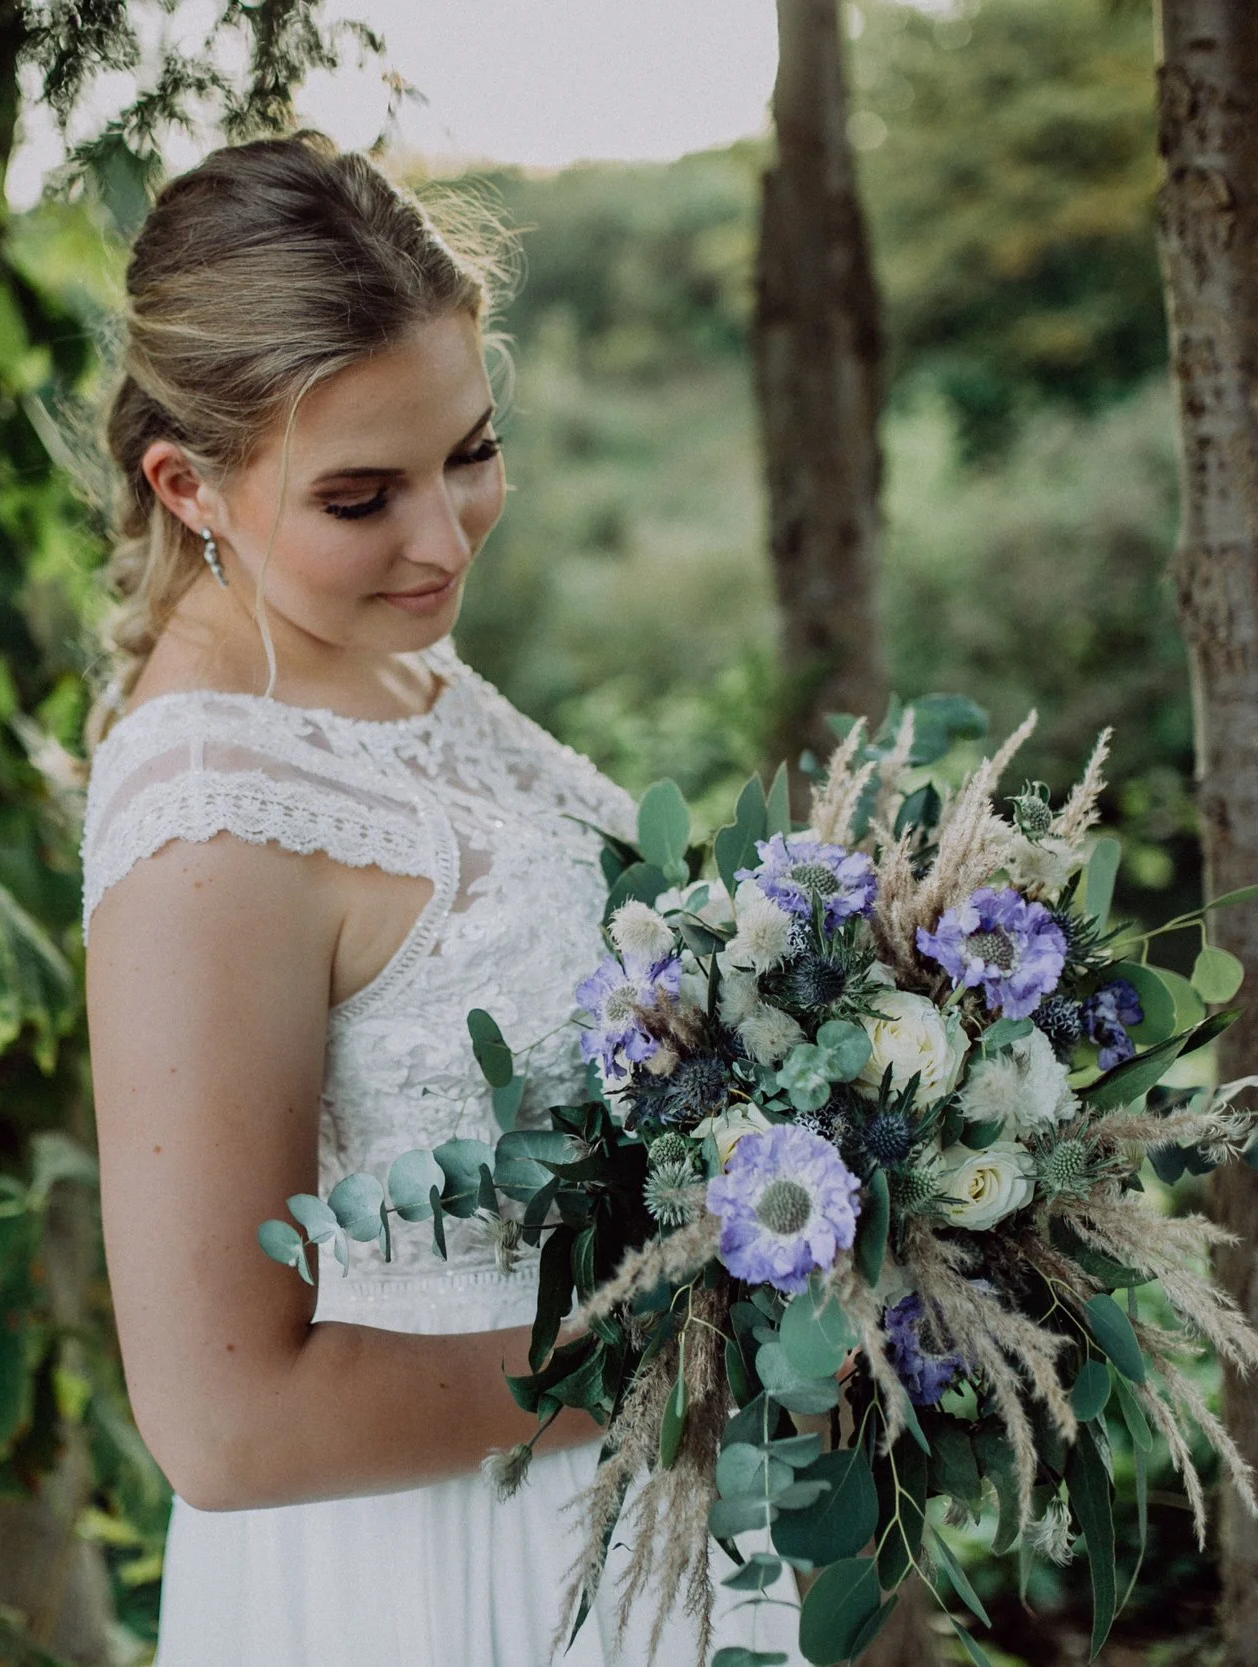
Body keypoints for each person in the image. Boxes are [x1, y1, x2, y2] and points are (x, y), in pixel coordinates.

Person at [80, 132, 798, 1666]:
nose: (444, 534)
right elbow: (222, 1423)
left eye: (468, 451)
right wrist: (677, 1347)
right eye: (360, 495)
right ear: (187, 483)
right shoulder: (205, 823)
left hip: (625, 1518)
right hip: (443, 1565)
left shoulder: (373, 650)